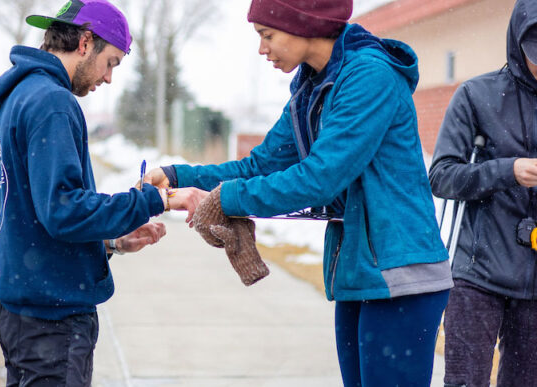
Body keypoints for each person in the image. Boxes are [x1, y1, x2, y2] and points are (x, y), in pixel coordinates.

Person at [145, 0, 453, 385]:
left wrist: (227, 198)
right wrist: (177, 176)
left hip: (400, 272)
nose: (262, 49)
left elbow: (320, 177)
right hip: (359, 269)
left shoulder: (369, 77)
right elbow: (259, 167)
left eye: (267, 35)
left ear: (304, 23)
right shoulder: (313, 88)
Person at [0, 0, 206, 385]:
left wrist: (109, 243)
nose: (109, 78)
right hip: (52, 319)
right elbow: (64, 209)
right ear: (85, 42)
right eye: (112, 62)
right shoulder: (52, 102)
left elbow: (36, 215)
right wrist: (162, 199)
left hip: (20, 309)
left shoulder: (20, 95)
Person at [429, 0, 537, 385]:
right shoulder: (476, 95)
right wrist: (507, 170)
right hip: (478, 277)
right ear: (517, 41)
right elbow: (441, 176)